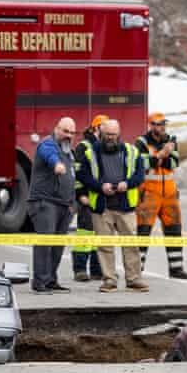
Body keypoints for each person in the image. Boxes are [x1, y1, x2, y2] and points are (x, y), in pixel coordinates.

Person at [77, 119, 148, 293]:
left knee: (131, 245)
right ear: (101, 133)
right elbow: (83, 175)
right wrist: (100, 186)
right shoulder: (90, 153)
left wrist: (128, 183)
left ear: (119, 134)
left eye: (113, 135)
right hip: (102, 207)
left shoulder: (132, 152)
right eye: (107, 134)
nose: (110, 138)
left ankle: (134, 279)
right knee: (104, 246)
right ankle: (109, 280)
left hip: (125, 207)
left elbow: (140, 175)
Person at [135, 113, 187, 279]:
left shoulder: (171, 141)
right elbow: (141, 163)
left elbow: (174, 163)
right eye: (158, 124)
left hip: (169, 194)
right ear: (151, 125)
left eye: (163, 124)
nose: (162, 127)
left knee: (174, 230)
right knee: (143, 232)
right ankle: (137, 270)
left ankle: (176, 269)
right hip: (148, 194)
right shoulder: (141, 142)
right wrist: (161, 155)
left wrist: (158, 158)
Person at [28, 117, 77, 294]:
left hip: (64, 205)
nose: (68, 135)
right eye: (65, 131)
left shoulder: (69, 152)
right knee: (45, 242)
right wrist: (56, 164)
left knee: (58, 245)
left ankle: (50, 280)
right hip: (45, 202)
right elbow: (51, 157)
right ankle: (40, 281)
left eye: (72, 133)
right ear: (56, 129)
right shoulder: (47, 145)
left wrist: (73, 203)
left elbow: (71, 178)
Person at [71, 114, 106, 281]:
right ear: (96, 128)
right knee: (85, 234)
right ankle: (79, 269)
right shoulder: (84, 147)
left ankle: (97, 270)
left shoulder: (106, 147)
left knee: (100, 235)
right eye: (104, 128)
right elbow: (77, 174)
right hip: (88, 198)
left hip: (102, 199)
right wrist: (81, 195)